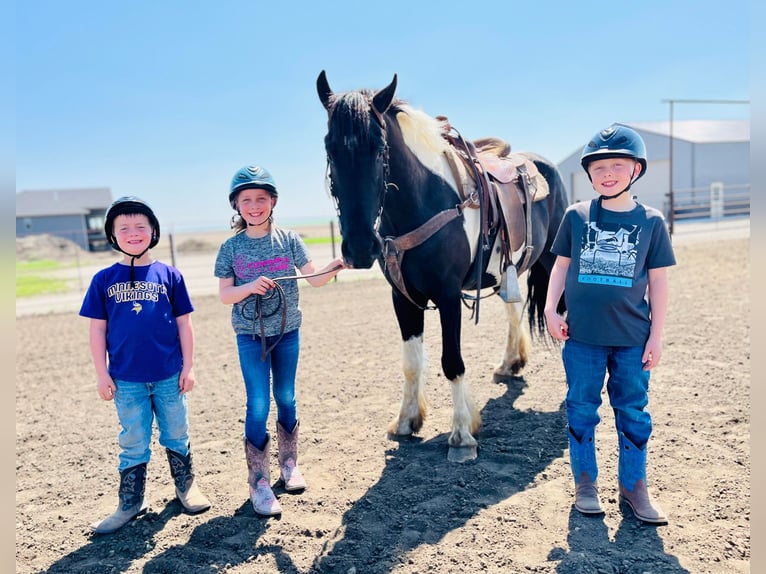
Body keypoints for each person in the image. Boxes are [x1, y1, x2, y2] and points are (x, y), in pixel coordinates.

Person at [543, 125, 676, 524]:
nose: (608, 173)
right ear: (589, 173)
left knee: (633, 412)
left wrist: (656, 335)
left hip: (632, 339)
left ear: (636, 170)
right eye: (599, 167)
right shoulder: (576, 216)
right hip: (582, 338)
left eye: (617, 165)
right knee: (581, 409)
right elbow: (561, 266)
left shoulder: (651, 222)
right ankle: (585, 484)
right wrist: (551, 309)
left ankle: (634, 487)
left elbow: (658, 281)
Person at [214, 165, 344, 517]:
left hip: (288, 333)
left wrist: (339, 263)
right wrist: (250, 287)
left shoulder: (290, 240)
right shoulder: (230, 248)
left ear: (272, 201)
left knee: (286, 396)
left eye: (261, 199)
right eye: (247, 200)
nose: (254, 206)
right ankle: (259, 480)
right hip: (250, 336)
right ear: (237, 206)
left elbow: (314, 280)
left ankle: (289, 463)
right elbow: (226, 295)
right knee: (257, 403)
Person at [80, 196, 211, 534]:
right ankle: (130, 502)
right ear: (112, 235)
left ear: (153, 231)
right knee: (133, 439)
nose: (133, 233)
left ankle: (185, 487)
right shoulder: (103, 279)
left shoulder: (169, 275)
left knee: (177, 433)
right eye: (124, 228)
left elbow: (184, 323)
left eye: (141, 226)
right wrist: (101, 372)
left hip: (169, 375)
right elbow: (97, 329)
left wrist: (189, 366)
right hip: (126, 380)